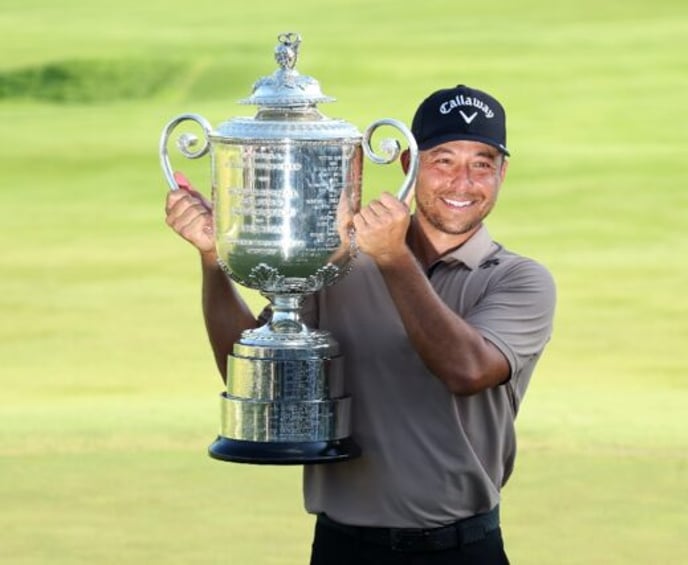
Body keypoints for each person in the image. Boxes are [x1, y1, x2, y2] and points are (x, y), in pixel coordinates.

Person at [165, 84, 556, 565]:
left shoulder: (519, 280)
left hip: (462, 550)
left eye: (482, 163)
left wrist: (391, 257)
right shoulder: (338, 266)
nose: (463, 182)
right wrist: (212, 257)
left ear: (502, 173)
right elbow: (258, 380)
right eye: (443, 160)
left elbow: (467, 371)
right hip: (343, 549)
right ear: (408, 164)